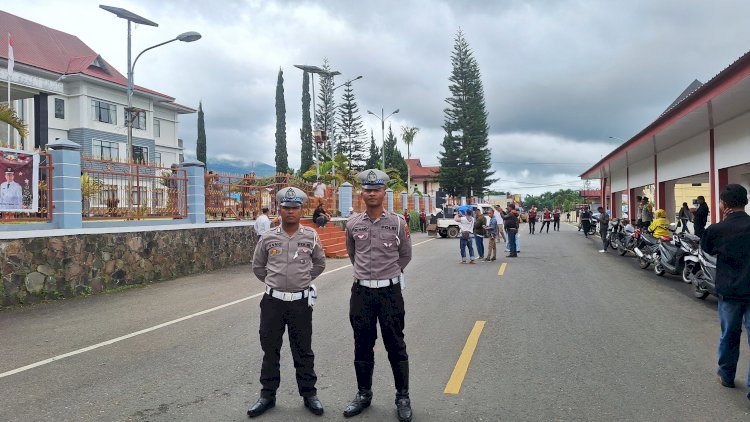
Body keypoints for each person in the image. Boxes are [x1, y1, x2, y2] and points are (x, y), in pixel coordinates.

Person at [248, 187, 326, 418]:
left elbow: (320, 264)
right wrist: (275, 283)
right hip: (273, 302)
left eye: (295, 208)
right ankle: (267, 395)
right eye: (286, 207)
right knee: (270, 350)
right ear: (279, 209)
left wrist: (301, 280)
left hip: (300, 304)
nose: (290, 211)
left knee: (303, 350)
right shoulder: (268, 237)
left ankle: (309, 394)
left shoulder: (310, 236)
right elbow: (258, 266)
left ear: (302, 210)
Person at [344, 169, 413, 421]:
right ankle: (363, 394)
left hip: (390, 293)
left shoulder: (397, 223)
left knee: (396, 345)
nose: (371, 193)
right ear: (361, 193)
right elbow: (353, 254)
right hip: (361, 293)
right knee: (362, 345)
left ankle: (402, 396)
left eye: (376, 189)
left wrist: (388, 274)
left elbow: (405, 255)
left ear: (385, 193)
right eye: (367, 189)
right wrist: (368, 276)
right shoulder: (353, 224)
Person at [701, 184, 750, 396]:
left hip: (730, 293)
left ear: (723, 205)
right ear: (745, 202)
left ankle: (726, 375)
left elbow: (707, 249)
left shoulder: (716, 230)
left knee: (729, 335)